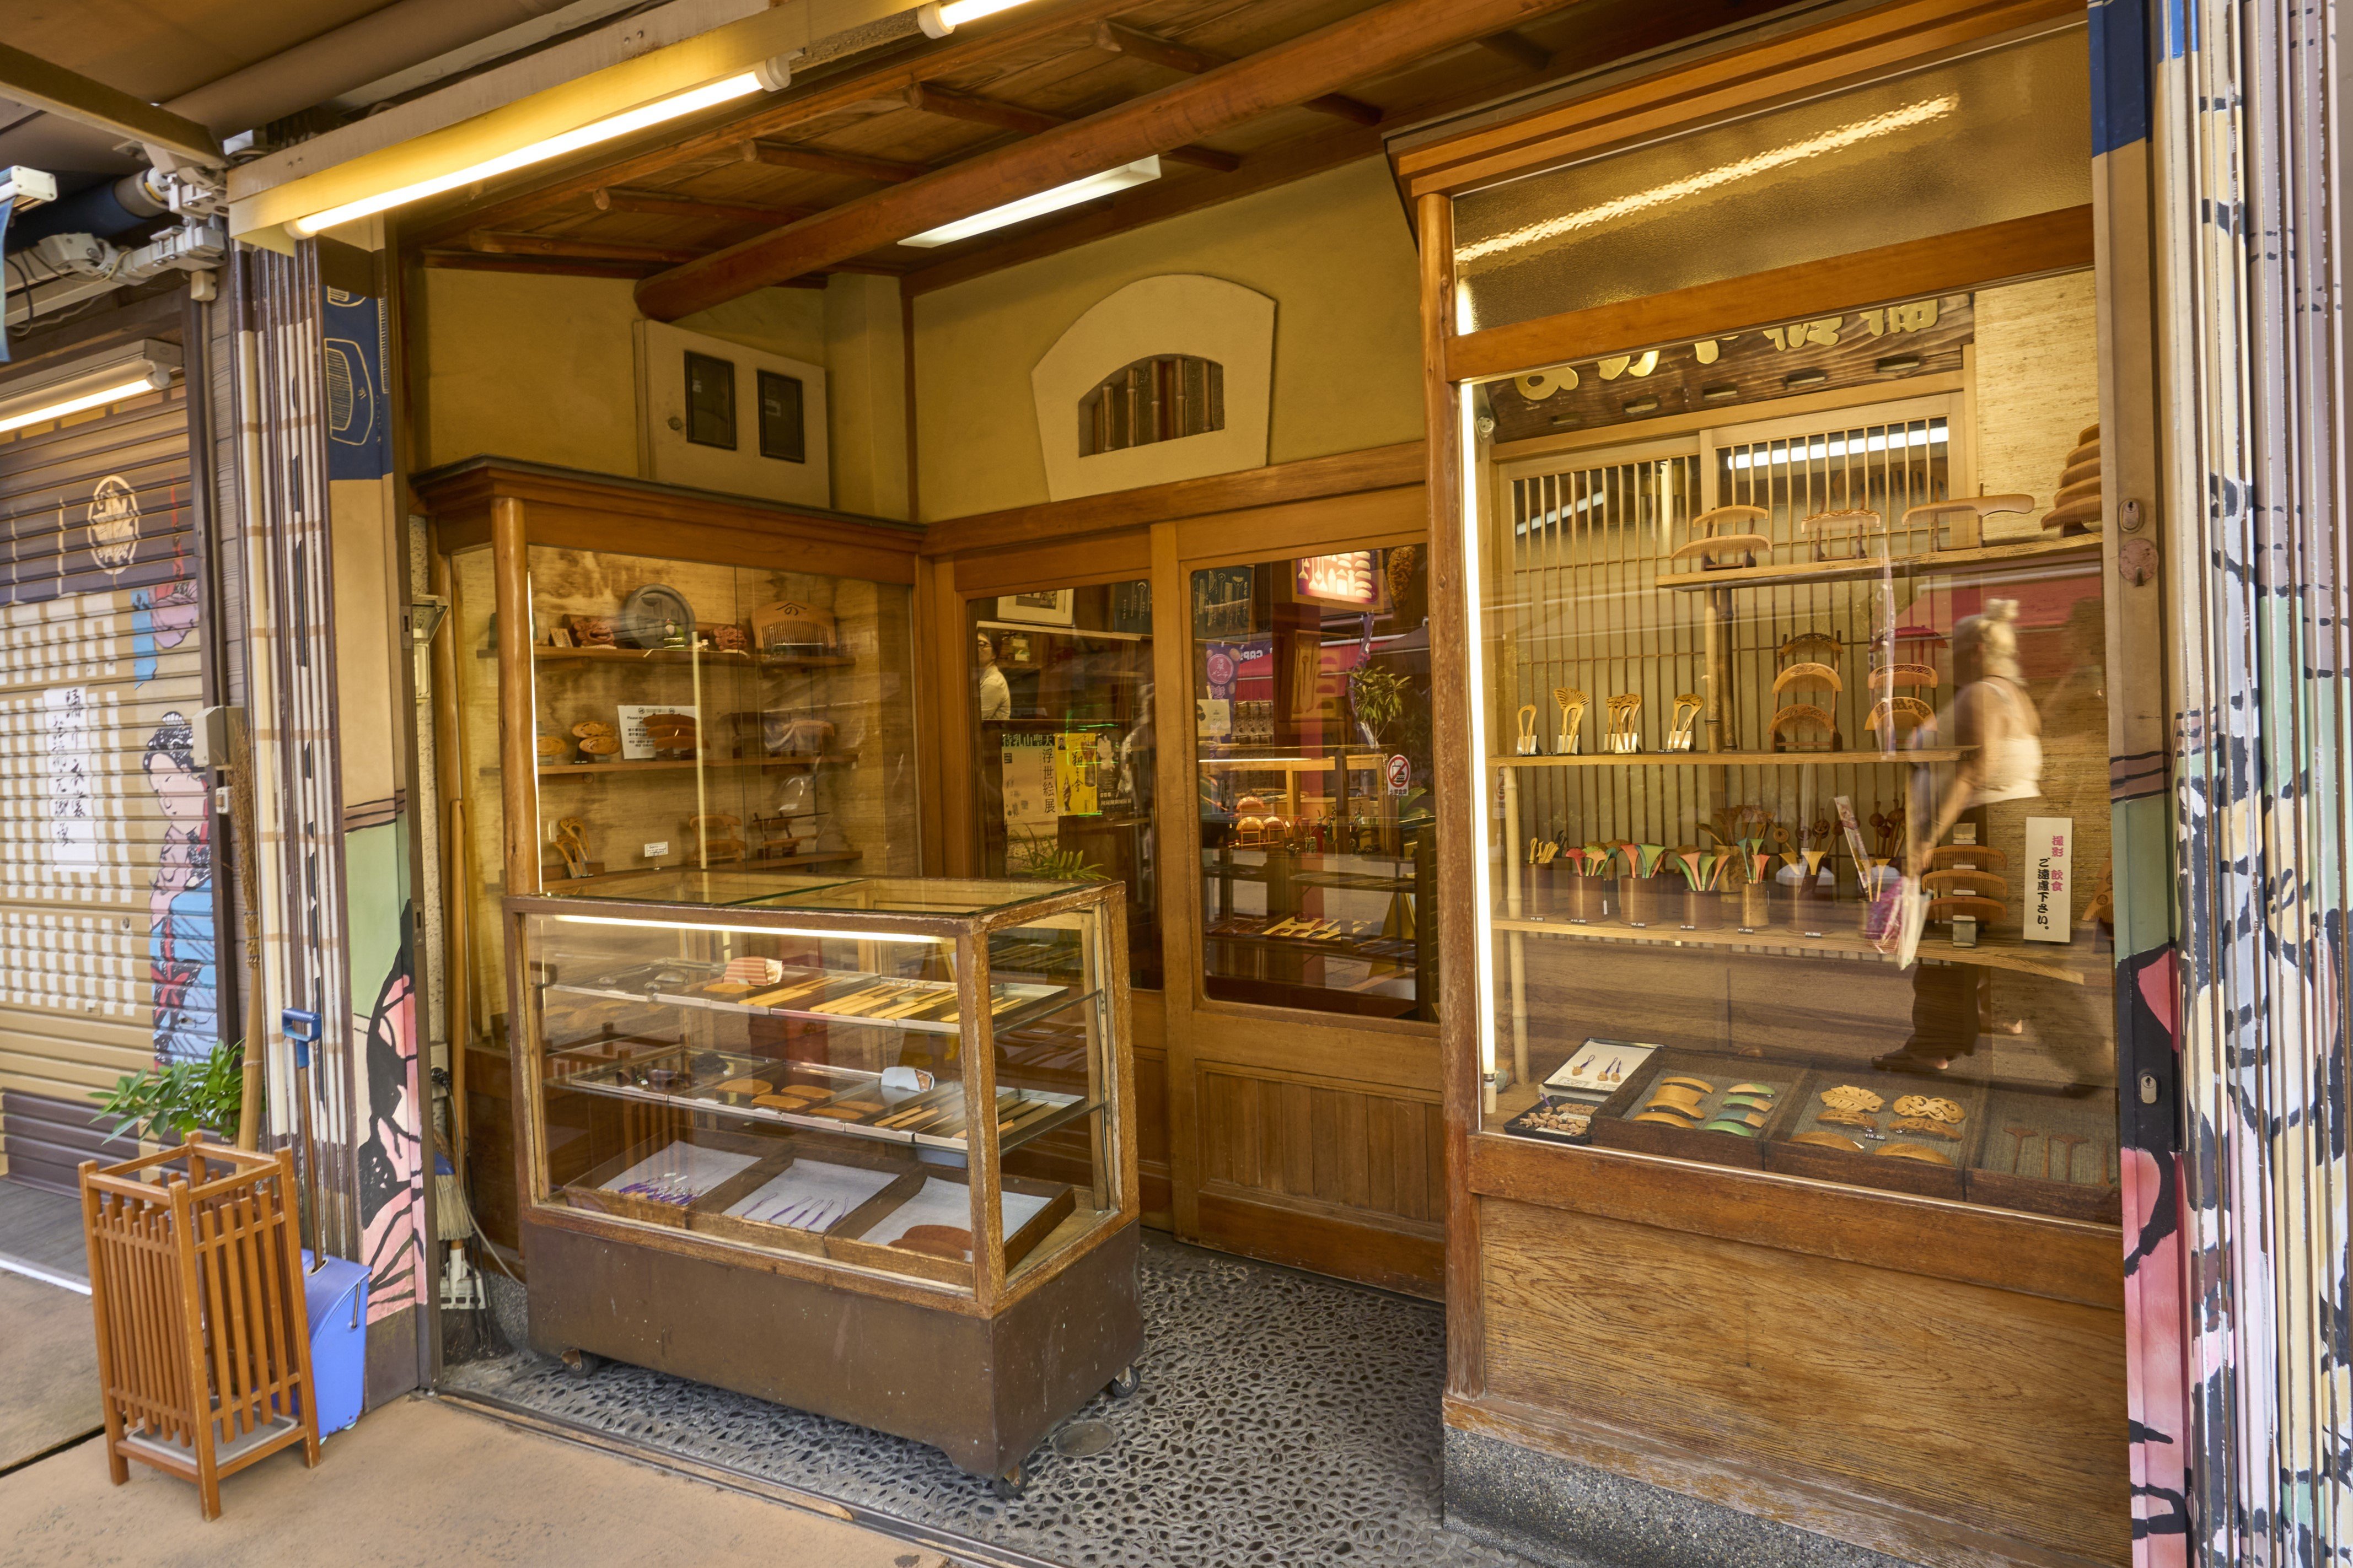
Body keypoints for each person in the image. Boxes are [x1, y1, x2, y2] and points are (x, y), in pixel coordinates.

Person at [144, 713, 217, 1065]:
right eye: (159, 792)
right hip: (179, 986)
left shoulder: (218, 832)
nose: (166, 802)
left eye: (169, 781)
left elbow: (181, 916)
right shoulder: (177, 843)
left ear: (192, 772)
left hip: (202, 991)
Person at [975, 629, 1012, 721]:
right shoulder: (979, 676)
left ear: (994, 654)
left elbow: (973, 722)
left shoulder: (993, 683)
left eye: (981, 645)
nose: (974, 649)